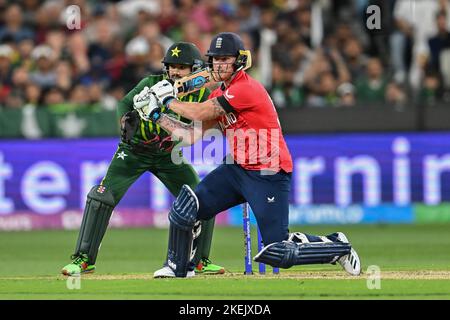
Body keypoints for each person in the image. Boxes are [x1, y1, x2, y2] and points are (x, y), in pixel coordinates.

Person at [137, 32, 361, 278]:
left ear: (239, 61)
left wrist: (167, 101)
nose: (219, 65)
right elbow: (191, 135)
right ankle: (178, 268)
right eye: (215, 59)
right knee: (186, 208)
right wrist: (157, 116)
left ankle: (337, 247)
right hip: (237, 168)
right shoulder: (219, 94)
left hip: (268, 172)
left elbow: (200, 112)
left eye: (226, 59)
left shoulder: (246, 89)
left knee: (277, 251)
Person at [61, 42, 225, 276]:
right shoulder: (151, 83)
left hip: (169, 155)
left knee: (202, 199)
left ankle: (199, 260)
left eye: (181, 67)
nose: (175, 71)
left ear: (195, 69)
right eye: (171, 66)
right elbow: (125, 103)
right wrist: (124, 120)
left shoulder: (203, 95)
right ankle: (84, 260)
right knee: (101, 196)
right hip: (133, 152)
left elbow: (202, 128)